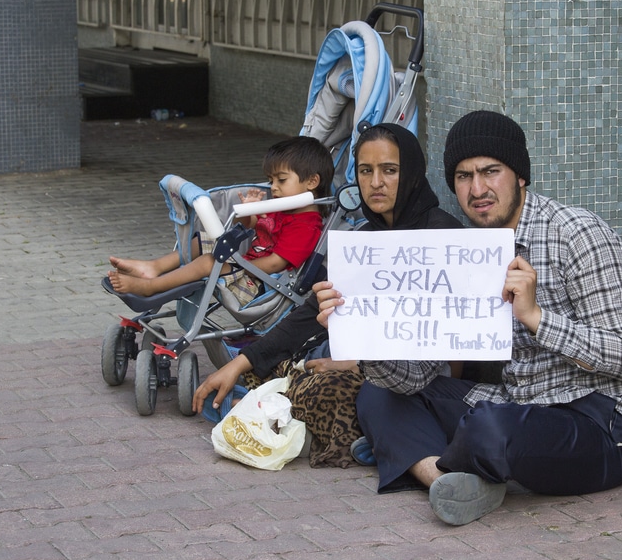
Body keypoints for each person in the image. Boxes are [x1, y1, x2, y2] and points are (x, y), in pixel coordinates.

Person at [314, 110, 622, 525]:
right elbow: (418, 375)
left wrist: (535, 317)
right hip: (516, 403)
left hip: (603, 422)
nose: (477, 189)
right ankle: (441, 478)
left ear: (520, 176)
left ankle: (416, 453)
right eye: (463, 176)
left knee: (489, 429)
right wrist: (359, 332)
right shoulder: (466, 251)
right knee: (378, 393)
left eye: (490, 171)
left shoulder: (577, 234)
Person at [191, 123, 462, 467]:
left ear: (411, 173)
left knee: (327, 387)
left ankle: (363, 437)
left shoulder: (444, 235)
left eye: (389, 170)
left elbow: (450, 342)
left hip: (421, 377)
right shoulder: (365, 237)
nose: (375, 182)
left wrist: (357, 364)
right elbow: (308, 313)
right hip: (364, 359)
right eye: (365, 170)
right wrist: (238, 363)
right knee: (275, 367)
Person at [107, 137, 334, 299]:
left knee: (209, 262)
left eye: (281, 180)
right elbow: (257, 227)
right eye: (271, 180)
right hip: (248, 265)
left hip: (261, 282)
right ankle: (154, 267)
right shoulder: (283, 206)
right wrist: (248, 214)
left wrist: (238, 266)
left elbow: (277, 262)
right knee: (204, 239)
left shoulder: (307, 225)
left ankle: (151, 287)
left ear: (312, 182)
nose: (273, 187)